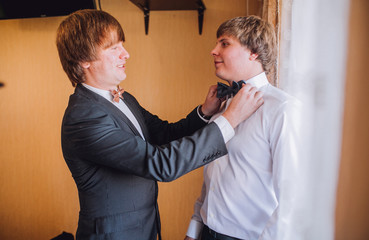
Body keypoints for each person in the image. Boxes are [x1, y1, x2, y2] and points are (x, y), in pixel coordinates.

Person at [56, 10, 263, 240]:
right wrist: (230, 119)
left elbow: (165, 134)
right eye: (114, 48)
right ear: (84, 60)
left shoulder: (124, 98)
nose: (126, 54)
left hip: (146, 228)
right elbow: (162, 163)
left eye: (122, 45)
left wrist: (205, 112)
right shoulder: (84, 118)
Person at [185, 16, 300, 240]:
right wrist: (194, 228)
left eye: (224, 43)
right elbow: (214, 175)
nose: (213, 51)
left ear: (254, 51)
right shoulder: (221, 105)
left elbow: (292, 197)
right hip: (206, 232)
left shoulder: (284, 110)